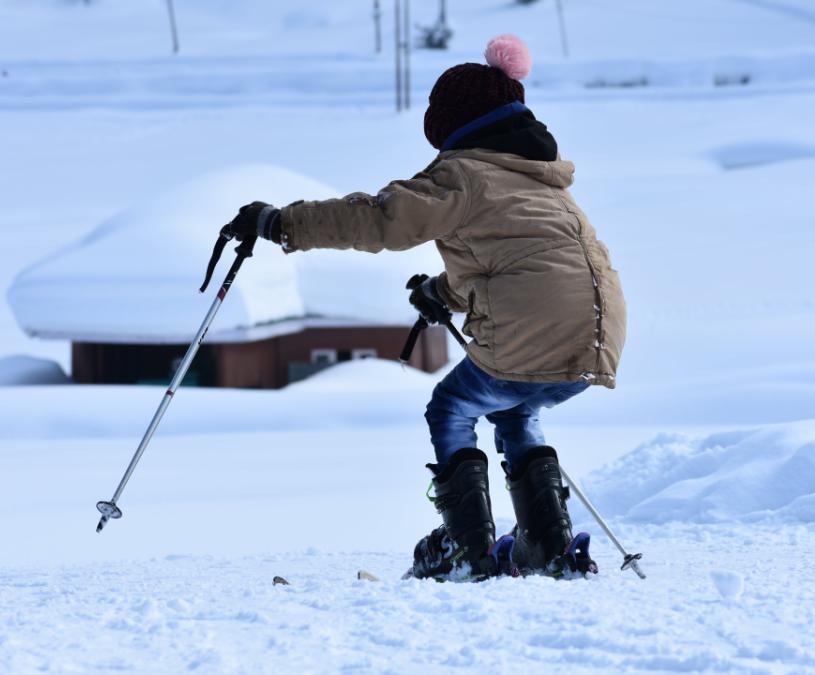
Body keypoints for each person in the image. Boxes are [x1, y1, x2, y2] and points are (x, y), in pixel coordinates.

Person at [222, 34, 625, 580]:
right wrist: (444, 292)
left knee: (452, 406)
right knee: (515, 408)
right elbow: (518, 266)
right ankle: (548, 547)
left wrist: (281, 223)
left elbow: (380, 219)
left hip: (533, 331)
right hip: (597, 340)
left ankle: (470, 551)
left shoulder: (463, 175)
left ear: (456, 125)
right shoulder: (544, 182)